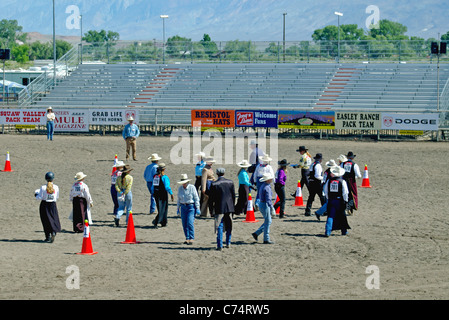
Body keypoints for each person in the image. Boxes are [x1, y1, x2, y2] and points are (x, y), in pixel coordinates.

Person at [209, 168, 235, 250]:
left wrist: (211, 210)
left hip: (219, 207)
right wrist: (232, 206)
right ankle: (228, 242)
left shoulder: (214, 184)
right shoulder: (230, 182)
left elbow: (211, 199)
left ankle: (219, 245)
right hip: (229, 206)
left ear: (217, 174)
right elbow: (233, 196)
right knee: (229, 225)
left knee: (219, 226)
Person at [322, 166, 351, 237]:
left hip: (331, 200)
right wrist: (346, 201)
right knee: (342, 216)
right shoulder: (342, 181)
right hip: (339, 201)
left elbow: (325, 191)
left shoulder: (329, 181)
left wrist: (329, 198)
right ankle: (344, 231)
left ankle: (328, 231)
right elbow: (345, 192)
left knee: (330, 216)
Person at [35, 172, 61, 242]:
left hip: (44, 205)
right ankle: (53, 232)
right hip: (53, 204)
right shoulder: (56, 187)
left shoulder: (43, 187)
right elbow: (57, 197)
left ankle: (48, 237)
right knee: (54, 218)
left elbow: (39, 197)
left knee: (45, 221)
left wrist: (36, 194)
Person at [251, 172, 275, 244]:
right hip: (265, 205)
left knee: (268, 221)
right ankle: (266, 238)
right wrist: (272, 208)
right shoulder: (267, 187)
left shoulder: (263, 186)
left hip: (262, 204)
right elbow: (268, 200)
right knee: (268, 221)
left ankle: (257, 233)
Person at [177, 174, 201, 245]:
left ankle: (191, 237)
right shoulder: (180, 189)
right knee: (184, 223)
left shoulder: (192, 187)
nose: (183, 184)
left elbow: (196, 198)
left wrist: (197, 208)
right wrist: (178, 208)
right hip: (183, 207)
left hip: (191, 207)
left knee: (190, 222)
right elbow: (179, 199)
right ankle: (187, 238)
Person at [151, 163, 174, 228]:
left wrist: (152, 193)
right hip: (163, 194)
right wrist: (171, 193)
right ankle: (158, 221)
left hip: (156, 194)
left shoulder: (155, 176)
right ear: (164, 169)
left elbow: (153, 186)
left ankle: (162, 221)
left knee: (159, 207)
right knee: (164, 208)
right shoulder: (165, 177)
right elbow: (167, 186)